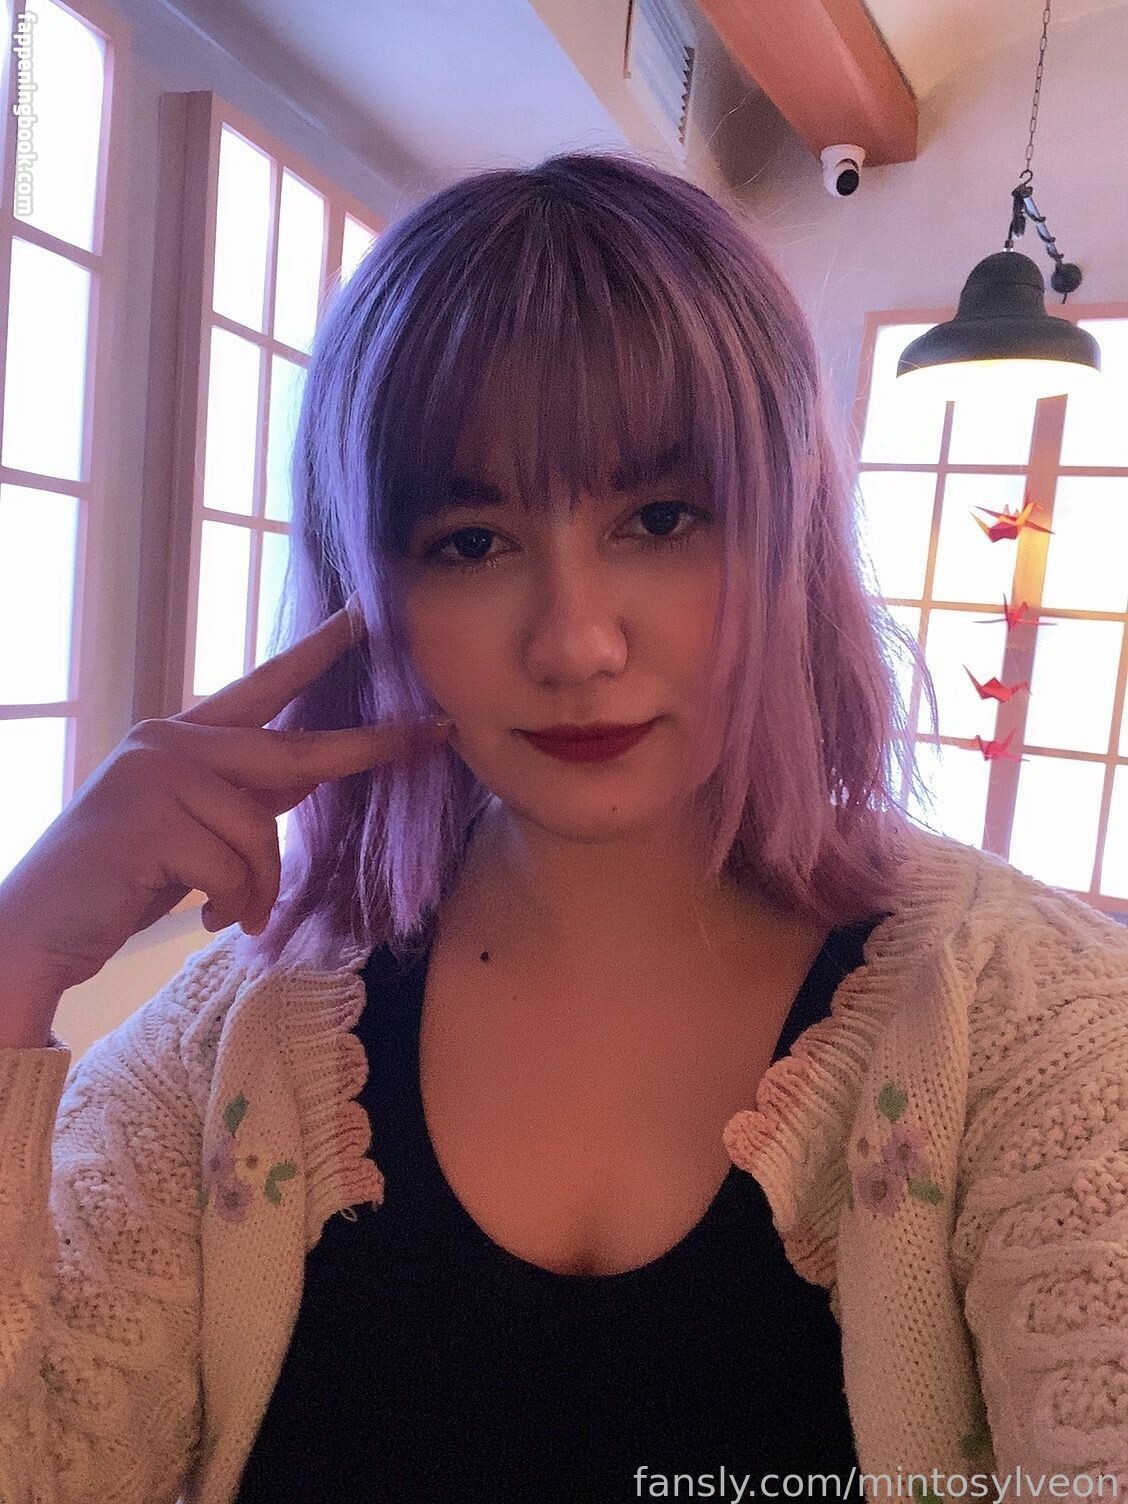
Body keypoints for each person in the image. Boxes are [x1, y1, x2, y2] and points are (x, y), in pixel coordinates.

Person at [1, 148, 1126, 1504]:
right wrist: (14, 965)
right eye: (471, 541)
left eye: (662, 517)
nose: (578, 643)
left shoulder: (1039, 1025)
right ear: (366, 585)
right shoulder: (223, 1050)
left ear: (790, 537)